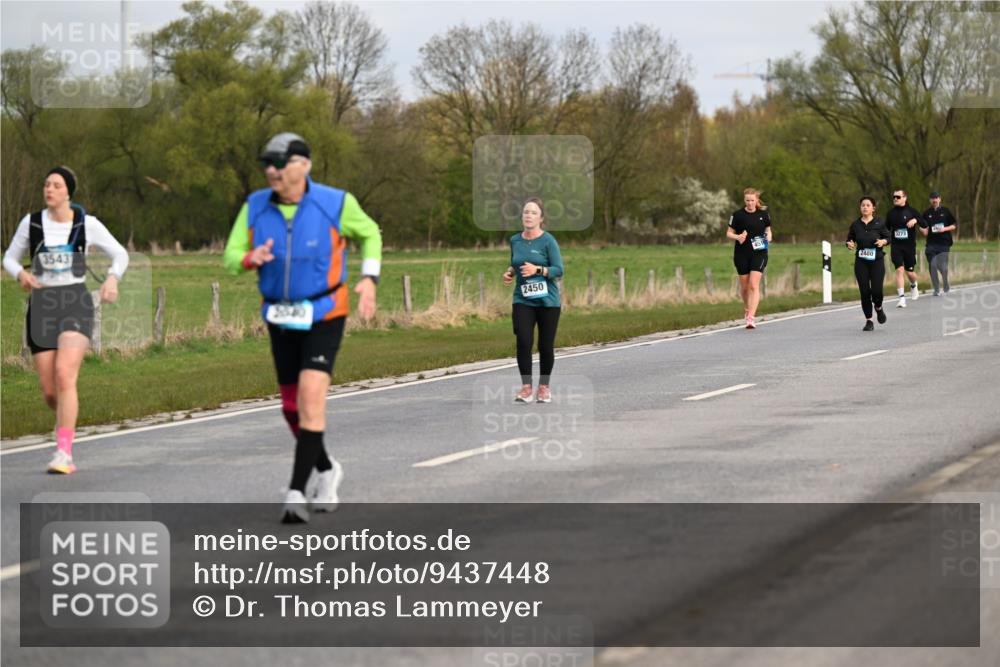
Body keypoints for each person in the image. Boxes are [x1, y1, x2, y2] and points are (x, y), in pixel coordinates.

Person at [223, 133, 382, 523]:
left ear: (304, 165)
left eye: (280, 163)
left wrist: (369, 279)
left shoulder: (335, 203)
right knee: (292, 408)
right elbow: (229, 257)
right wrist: (249, 257)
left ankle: (295, 492)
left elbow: (371, 233)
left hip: (325, 312)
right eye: (267, 164)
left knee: (311, 396)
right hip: (279, 316)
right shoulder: (255, 206)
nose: (272, 171)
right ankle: (326, 469)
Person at [2, 166, 129, 474]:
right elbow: (9, 258)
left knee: (64, 375)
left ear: (68, 192)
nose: (49, 189)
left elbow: (120, 254)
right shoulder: (31, 223)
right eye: (46, 184)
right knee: (50, 391)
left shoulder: (87, 224)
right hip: (42, 305)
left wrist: (112, 278)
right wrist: (20, 274)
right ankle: (66, 422)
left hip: (75, 302)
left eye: (56, 185)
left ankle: (64, 453)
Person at [502, 198, 564, 404]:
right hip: (523, 299)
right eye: (526, 212)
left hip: (548, 302)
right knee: (523, 341)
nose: (528, 215)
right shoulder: (515, 240)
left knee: (545, 345)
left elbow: (559, 270)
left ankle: (544, 387)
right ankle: (526, 388)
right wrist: (510, 272)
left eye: (533, 213)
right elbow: (515, 262)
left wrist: (538, 270)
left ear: (541, 218)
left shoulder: (548, 241)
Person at [725, 187, 772, 329]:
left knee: (753, 285)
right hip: (742, 253)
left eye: (752, 200)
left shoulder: (764, 214)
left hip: (759, 252)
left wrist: (768, 237)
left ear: (756, 200)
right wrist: (738, 237)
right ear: (744, 200)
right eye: (747, 201)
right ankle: (747, 308)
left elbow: (768, 230)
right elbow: (729, 233)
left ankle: (751, 317)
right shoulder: (737, 215)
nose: (750, 203)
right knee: (745, 288)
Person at [846, 196, 890, 331]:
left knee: (877, 291)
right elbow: (849, 239)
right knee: (864, 291)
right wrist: (849, 244)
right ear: (860, 208)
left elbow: (889, 237)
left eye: (868, 205)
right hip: (861, 262)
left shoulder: (879, 223)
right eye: (863, 205)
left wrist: (883, 241)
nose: (865, 207)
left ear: (873, 208)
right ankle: (869, 320)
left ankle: (879, 307)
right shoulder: (855, 225)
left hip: (877, 261)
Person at [884, 188, 924, 307]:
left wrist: (915, 220)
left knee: (909, 272)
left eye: (898, 197)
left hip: (909, 246)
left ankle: (914, 285)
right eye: (894, 197)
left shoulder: (912, 211)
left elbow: (924, 223)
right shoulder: (891, 214)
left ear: (905, 198)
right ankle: (902, 298)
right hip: (896, 246)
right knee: (899, 270)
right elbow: (885, 229)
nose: (895, 199)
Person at [919, 191, 958, 295]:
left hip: (944, 243)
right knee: (932, 265)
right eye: (932, 198)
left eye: (936, 198)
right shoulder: (927, 213)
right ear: (930, 200)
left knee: (943, 266)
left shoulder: (945, 211)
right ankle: (936, 289)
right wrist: (923, 230)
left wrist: (944, 229)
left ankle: (945, 282)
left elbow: (954, 225)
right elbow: (921, 225)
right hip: (931, 244)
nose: (934, 200)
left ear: (940, 199)